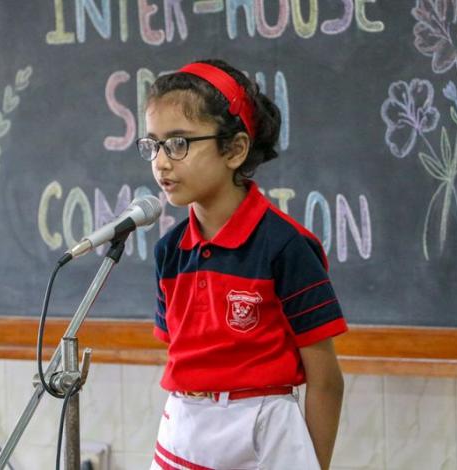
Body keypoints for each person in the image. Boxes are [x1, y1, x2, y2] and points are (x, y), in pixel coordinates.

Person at [137, 59, 347, 470]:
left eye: (178, 143)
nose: (161, 162)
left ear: (234, 149)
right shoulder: (169, 251)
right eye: (153, 145)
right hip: (184, 426)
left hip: (264, 430)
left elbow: (326, 380)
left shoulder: (286, 246)